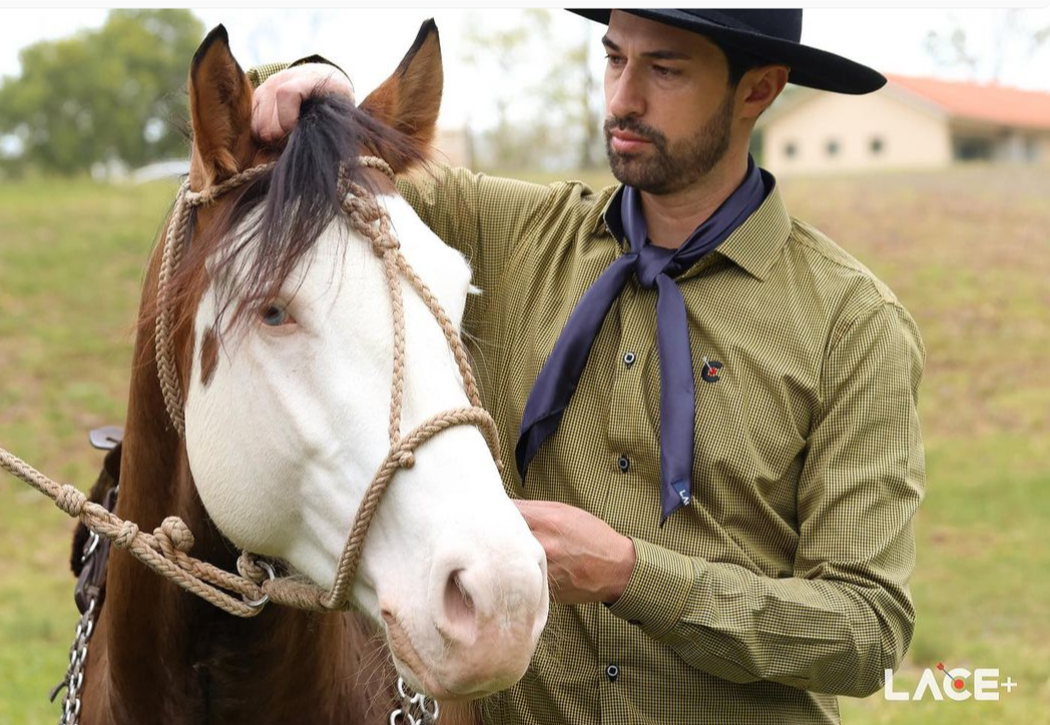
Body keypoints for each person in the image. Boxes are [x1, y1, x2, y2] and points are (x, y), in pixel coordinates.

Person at [249, 9, 926, 725]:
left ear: (758, 90)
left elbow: (868, 633)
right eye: (613, 58)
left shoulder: (853, 326)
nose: (622, 99)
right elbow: (306, 151)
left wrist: (631, 576)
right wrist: (316, 83)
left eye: (664, 69)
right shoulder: (504, 233)